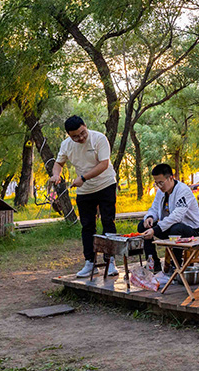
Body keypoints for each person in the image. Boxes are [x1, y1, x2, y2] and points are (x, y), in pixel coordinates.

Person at [50, 115, 119, 278]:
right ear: (69, 135)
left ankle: (111, 261)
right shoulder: (66, 145)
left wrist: (82, 178)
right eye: (75, 136)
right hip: (85, 190)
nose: (80, 138)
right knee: (87, 225)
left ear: (85, 126)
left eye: (82, 133)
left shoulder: (99, 139)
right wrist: (55, 175)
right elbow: (58, 163)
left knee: (108, 221)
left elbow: (104, 164)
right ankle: (90, 262)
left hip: (105, 184)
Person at [139, 163, 199, 273]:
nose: (159, 186)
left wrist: (155, 230)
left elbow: (176, 217)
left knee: (176, 229)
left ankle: (176, 266)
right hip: (169, 228)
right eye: (156, 183)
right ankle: (153, 263)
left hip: (192, 230)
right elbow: (154, 208)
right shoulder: (161, 192)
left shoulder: (183, 190)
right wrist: (150, 218)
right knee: (143, 226)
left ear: (170, 178)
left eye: (161, 182)